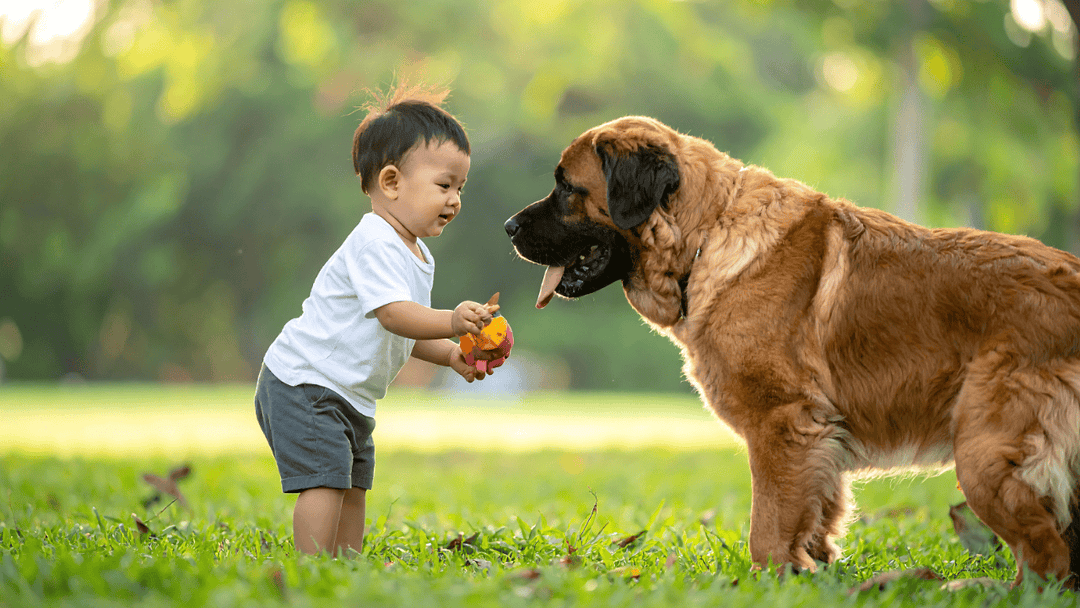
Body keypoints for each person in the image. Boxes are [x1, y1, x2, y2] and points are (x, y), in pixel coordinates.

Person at [254, 83, 506, 557]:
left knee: (352, 485)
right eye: (444, 185)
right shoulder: (374, 240)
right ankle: (313, 566)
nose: (455, 200)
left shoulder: (416, 254)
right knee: (327, 481)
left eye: (461, 187)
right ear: (391, 182)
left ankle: (346, 563)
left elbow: (407, 333)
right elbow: (395, 315)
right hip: (304, 383)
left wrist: (452, 355)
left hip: (347, 395)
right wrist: (452, 320)